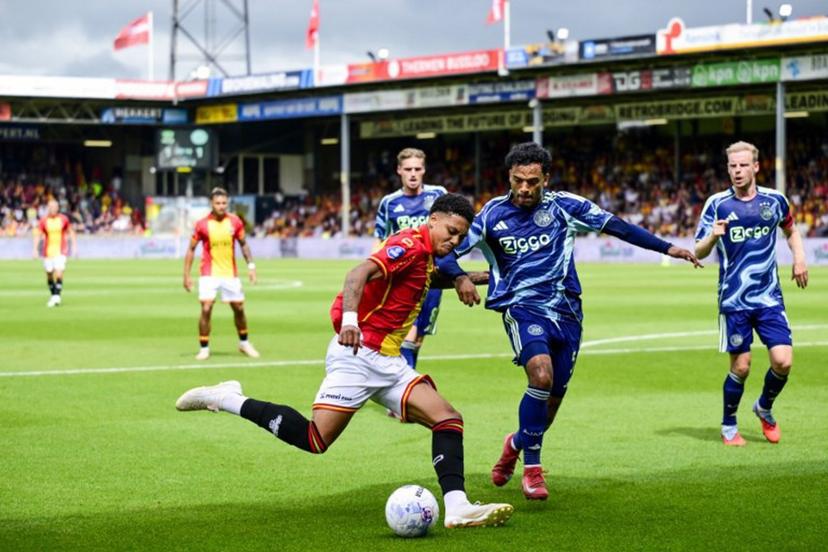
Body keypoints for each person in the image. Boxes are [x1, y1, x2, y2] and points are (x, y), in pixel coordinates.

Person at [176, 194, 514, 529]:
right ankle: (226, 398)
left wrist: (473, 276)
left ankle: (458, 507)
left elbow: (426, 278)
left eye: (460, 237)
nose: (454, 241)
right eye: (451, 231)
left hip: (388, 361)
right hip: (358, 355)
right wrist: (351, 321)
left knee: (448, 419)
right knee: (314, 439)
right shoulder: (410, 244)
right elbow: (358, 273)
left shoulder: (425, 253)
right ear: (433, 220)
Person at [436, 142, 701, 501]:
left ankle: (514, 443)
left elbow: (617, 226)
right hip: (522, 308)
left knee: (551, 403)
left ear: (546, 178)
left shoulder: (566, 205)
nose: (525, 188)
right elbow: (447, 248)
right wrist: (459, 277)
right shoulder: (492, 215)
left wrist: (667, 248)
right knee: (540, 375)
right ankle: (533, 468)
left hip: (567, 313)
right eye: (518, 181)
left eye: (533, 181)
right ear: (509, 178)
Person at [694, 141, 808, 447]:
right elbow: (699, 250)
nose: (737, 171)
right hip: (734, 300)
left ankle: (764, 407)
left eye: (743, 165)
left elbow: (791, 231)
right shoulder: (717, 204)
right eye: (732, 166)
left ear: (755, 166)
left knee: (783, 362)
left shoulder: (775, 201)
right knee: (741, 367)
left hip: (769, 296)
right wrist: (711, 236)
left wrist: (798, 258)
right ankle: (729, 425)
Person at [374, 148, 447, 369]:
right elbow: (380, 239)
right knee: (407, 333)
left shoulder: (438, 195)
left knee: (418, 337)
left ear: (424, 170)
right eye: (408, 169)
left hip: (434, 277)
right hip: (404, 277)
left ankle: (402, 386)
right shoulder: (389, 202)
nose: (413, 174)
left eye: (417, 169)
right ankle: (401, 394)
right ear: (399, 171)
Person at [183, 187, 260, 360]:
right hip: (208, 273)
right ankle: (204, 348)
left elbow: (244, 244)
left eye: (224, 203)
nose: (221, 206)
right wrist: (186, 276)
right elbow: (191, 249)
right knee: (206, 308)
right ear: (212, 203)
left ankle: (244, 343)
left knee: (239, 308)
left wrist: (251, 266)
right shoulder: (202, 224)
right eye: (218, 203)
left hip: (229, 273)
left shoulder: (235, 222)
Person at [33, 199, 77, 308]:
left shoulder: (63, 219)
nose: (53, 209)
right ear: (48, 208)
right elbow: (38, 235)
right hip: (48, 252)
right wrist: (34, 249)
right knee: (49, 273)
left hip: (61, 250)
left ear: (58, 208)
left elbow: (71, 231)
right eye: (51, 207)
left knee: (59, 272)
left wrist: (74, 246)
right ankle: (53, 295)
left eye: (55, 207)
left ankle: (57, 296)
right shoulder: (43, 221)